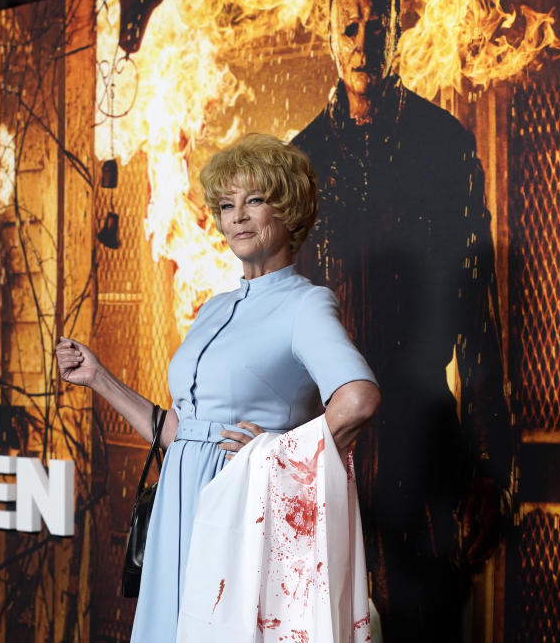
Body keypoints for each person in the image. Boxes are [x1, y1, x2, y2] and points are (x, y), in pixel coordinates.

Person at [56, 133, 380, 642]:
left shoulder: (306, 304)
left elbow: (358, 398)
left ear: (288, 212)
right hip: (177, 508)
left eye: (255, 201)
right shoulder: (211, 308)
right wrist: (98, 377)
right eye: (227, 205)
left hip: (240, 514)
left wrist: (276, 456)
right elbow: (181, 433)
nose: (237, 217)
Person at [290, 0, 512, 640]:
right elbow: (284, 322)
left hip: (423, 438)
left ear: (399, 27)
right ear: (329, 33)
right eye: (350, 27)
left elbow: (478, 316)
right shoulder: (301, 161)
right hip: (328, 440)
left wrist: (492, 462)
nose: (364, 42)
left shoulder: (442, 146)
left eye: (376, 26)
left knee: (429, 625)